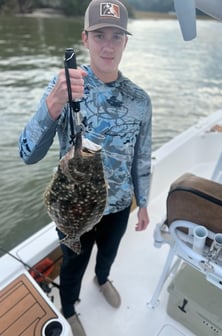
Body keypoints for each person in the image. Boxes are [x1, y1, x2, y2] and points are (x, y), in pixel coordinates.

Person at [19, 0, 152, 335]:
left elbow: (141, 156)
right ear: (85, 38)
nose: (107, 45)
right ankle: (68, 307)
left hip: (119, 205)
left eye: (116, 36)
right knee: (73, 262)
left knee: (108, 253)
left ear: (125, 41)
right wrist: (54, 103)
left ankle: (103, 278)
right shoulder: (64, 85)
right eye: (99, 35)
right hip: (72, 207)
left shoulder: (139, 100)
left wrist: (144, 203)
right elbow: (28, 155)